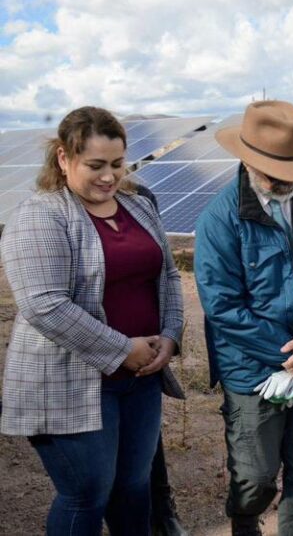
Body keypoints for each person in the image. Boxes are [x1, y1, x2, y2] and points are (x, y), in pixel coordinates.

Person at [0, 106, 184, 535]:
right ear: (64, 159)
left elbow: (169, 275)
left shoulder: (137, 207)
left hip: (140, 380)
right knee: (87, 493)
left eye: (117, 164)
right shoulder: (41, 214)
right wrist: (124, 350)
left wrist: (171, 336)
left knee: (134, 488)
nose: (109, 176)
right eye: (95, 165)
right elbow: (45, 304)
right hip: (69, 380)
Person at [194, 101, 293, 536]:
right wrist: (290, 355)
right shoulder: (219, 219)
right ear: (248, 160)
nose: (288, 182)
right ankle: (245, 519)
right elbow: (222, 306)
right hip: (251, 367)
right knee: (255, 474)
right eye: (275, 172)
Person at [134, 184, 189, 536]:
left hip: (146, 350)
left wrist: (170, 335)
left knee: (147, 436)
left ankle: (161, 509)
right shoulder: (52, 210)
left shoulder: (141, 196)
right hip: (89, 352)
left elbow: (167, 274)